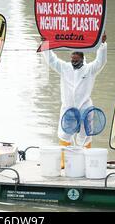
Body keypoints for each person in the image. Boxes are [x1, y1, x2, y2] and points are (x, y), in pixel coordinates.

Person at [43, 33, 108, 166]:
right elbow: (52, 60)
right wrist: (45, 44)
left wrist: (102, 45)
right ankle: (63, 161)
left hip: (85, 108)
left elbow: (100, 61)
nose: (74, 62)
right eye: (72, 59)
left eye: (76, 60)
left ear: (82, 58)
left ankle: (85, 161)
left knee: (85, 136)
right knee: (64, 134)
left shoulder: (89, 69)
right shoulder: (65, 67)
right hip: (68, 109)